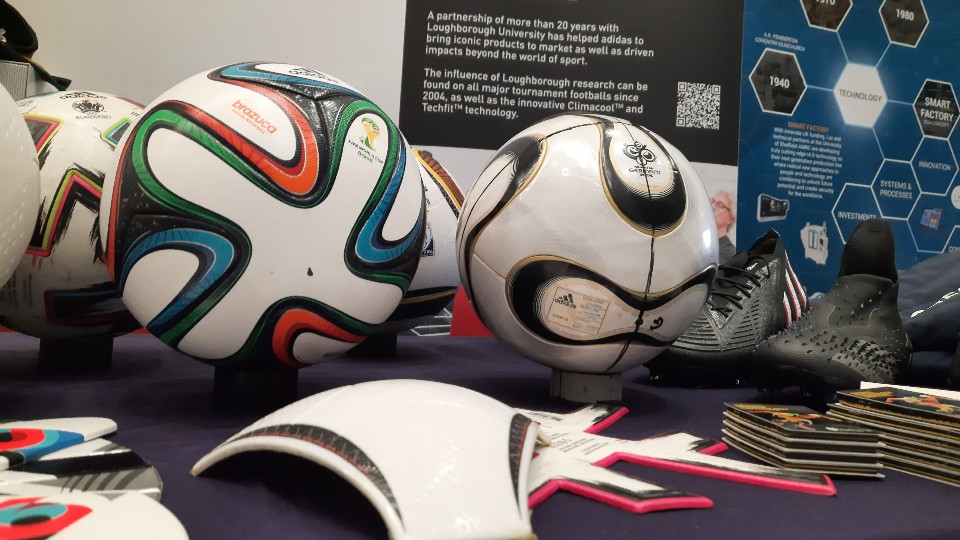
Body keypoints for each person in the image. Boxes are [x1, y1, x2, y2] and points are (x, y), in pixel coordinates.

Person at [711, 190, 737, 263]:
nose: (713, 207)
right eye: (712, 202)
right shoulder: (700, 240)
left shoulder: (728, 251)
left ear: (730, 218)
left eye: (720, 205)